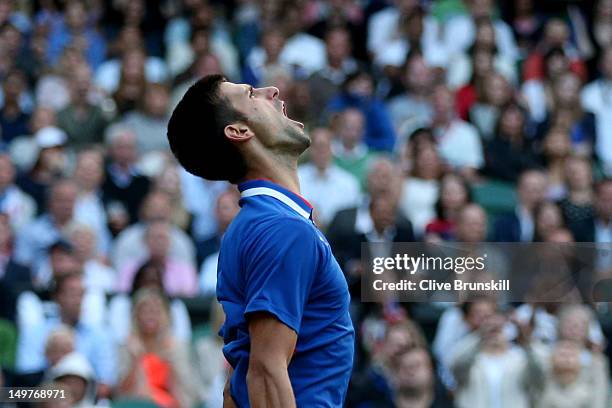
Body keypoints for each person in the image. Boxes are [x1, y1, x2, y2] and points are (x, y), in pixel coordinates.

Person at [167, 75, 354, 406]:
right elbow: (265, 370)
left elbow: (236, 381)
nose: (273, 91)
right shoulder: (280, 229)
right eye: (252, 94)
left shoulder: (251, 226)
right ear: (239, 131)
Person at [116, 288, 196, 408]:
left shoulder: (177, 347)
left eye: (155, 311)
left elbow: (189, 390)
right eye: (145, 311)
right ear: (136, 315)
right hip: (137, 404)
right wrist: (135, 361)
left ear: (165, 315)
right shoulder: (127, 346)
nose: (150, 316)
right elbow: (120, 392)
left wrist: (173, 362)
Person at [298, 128, 361, 228]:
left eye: (325, 146)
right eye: (317, 147)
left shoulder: (348, 183)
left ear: (333, 149)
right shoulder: (297, 177)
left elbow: (352, 222)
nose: (321, 151)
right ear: (309, 149)